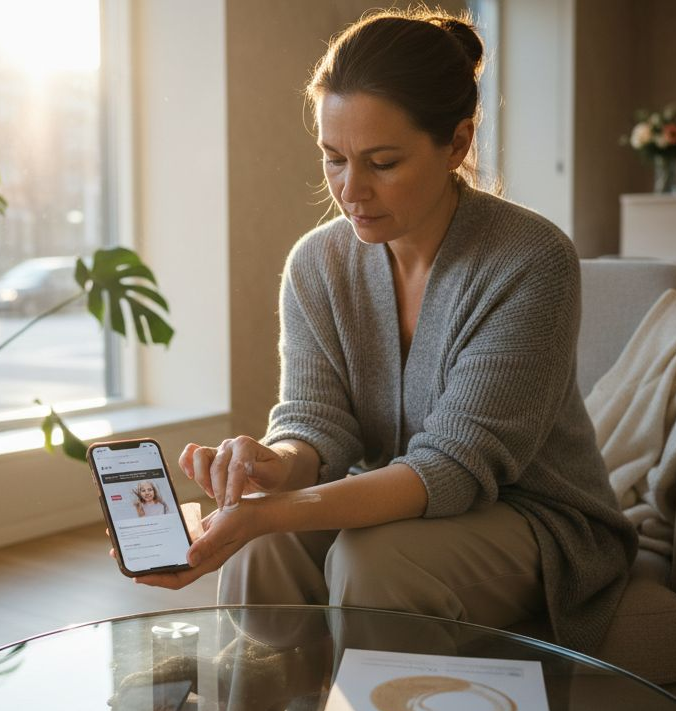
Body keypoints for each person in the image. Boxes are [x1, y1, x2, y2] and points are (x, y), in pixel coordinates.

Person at [135, 7, 636, 657]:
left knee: (374, 567)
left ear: (457, 144)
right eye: (334, 159)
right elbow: (318, 426)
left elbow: (452, 469)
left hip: (535, 518)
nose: (352, 190)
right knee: (263, 555)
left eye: (382, 162)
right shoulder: (318, 263)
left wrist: (272, 510)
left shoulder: (531, 261)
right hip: (397, 502)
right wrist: (274, 464)